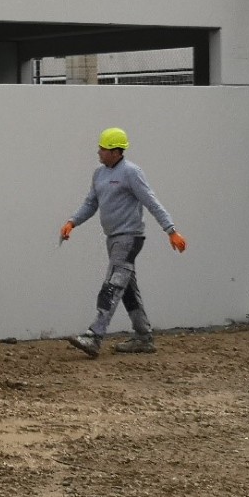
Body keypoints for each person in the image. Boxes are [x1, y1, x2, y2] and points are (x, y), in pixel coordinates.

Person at [59, 127, 187, 358]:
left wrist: (171, 230)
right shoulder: (99, 174)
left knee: (112, 285)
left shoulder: (131, 173)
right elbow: (91, 203)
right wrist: (72, 222)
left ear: (116, 152)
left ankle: (94, 336)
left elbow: (152, 202)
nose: (98, 152)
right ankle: (143, 337)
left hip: (129, 238)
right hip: (113, 239)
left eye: (103, 149)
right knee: (127, 288)